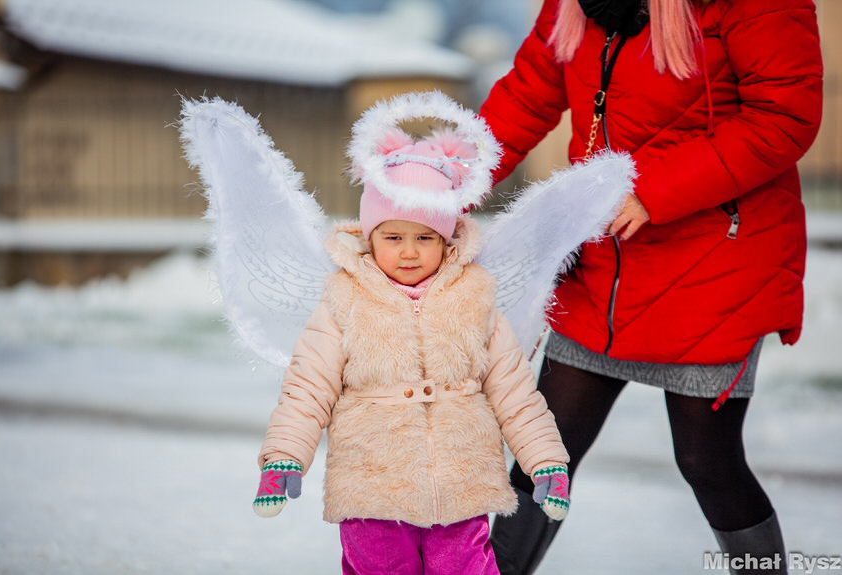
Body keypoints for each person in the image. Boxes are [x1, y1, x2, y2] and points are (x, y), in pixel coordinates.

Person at [478, 0, 823, 573]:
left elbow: (784, 115)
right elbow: (529, 91)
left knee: (706, 460)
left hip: (715, 262)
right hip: (604, 259)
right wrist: (441, 184)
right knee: (545, 449)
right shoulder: (577, 5)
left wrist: (654, 189)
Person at [252, 97, 571, 575]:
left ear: (447, 240)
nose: (408, 252)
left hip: (460, 486)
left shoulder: (474, 298)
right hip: (372, 486)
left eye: (424, 238)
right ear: (369, 237)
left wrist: (545, 461)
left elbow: (514, 392)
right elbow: (308, 388)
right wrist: (283, 458)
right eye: (392, 237)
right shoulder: (344, 300)